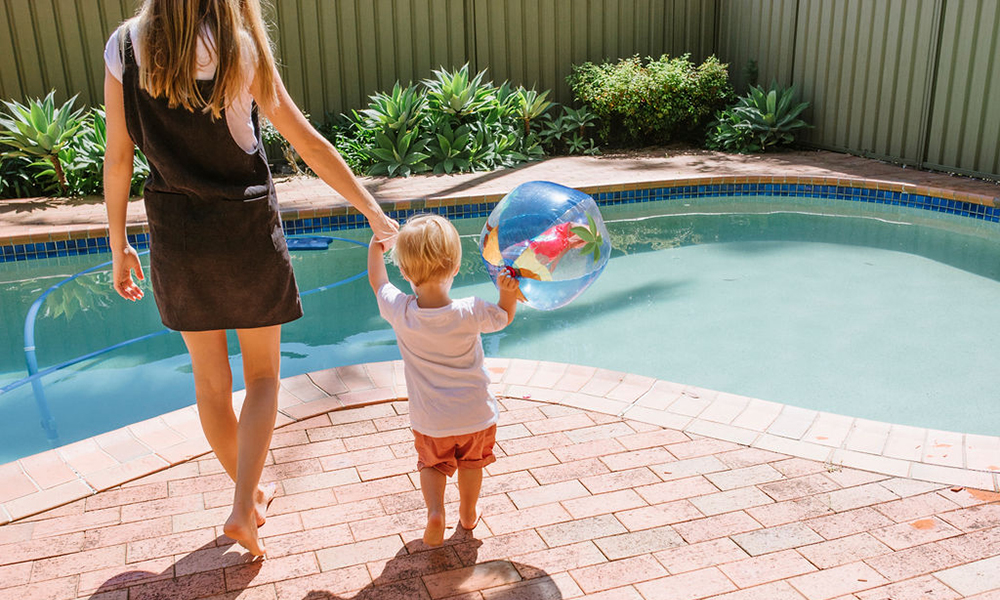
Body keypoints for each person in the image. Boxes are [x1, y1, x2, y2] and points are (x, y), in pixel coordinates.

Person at [102, 0, 398, 557]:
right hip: (245, 232)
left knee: (211, 384)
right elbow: (308, 143)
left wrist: (119, 245)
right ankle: (244, 507)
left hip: (177, 236)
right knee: (262, 379)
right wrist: (373, 213)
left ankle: (252, 494)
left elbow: (118, 158)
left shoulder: (124, 45)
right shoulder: (240, 46)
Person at [367, 214, 519, 546]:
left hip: (430, 420)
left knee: (432, 465)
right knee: (471, 463)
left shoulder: (400, 311)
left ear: (405, 272)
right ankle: (467, 512)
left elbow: (378, 282)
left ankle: (435, 511)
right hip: (475, 416)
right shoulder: (472, 310)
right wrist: (508, 293)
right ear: (454, 268)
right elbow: (504, 317)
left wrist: (376, 246)